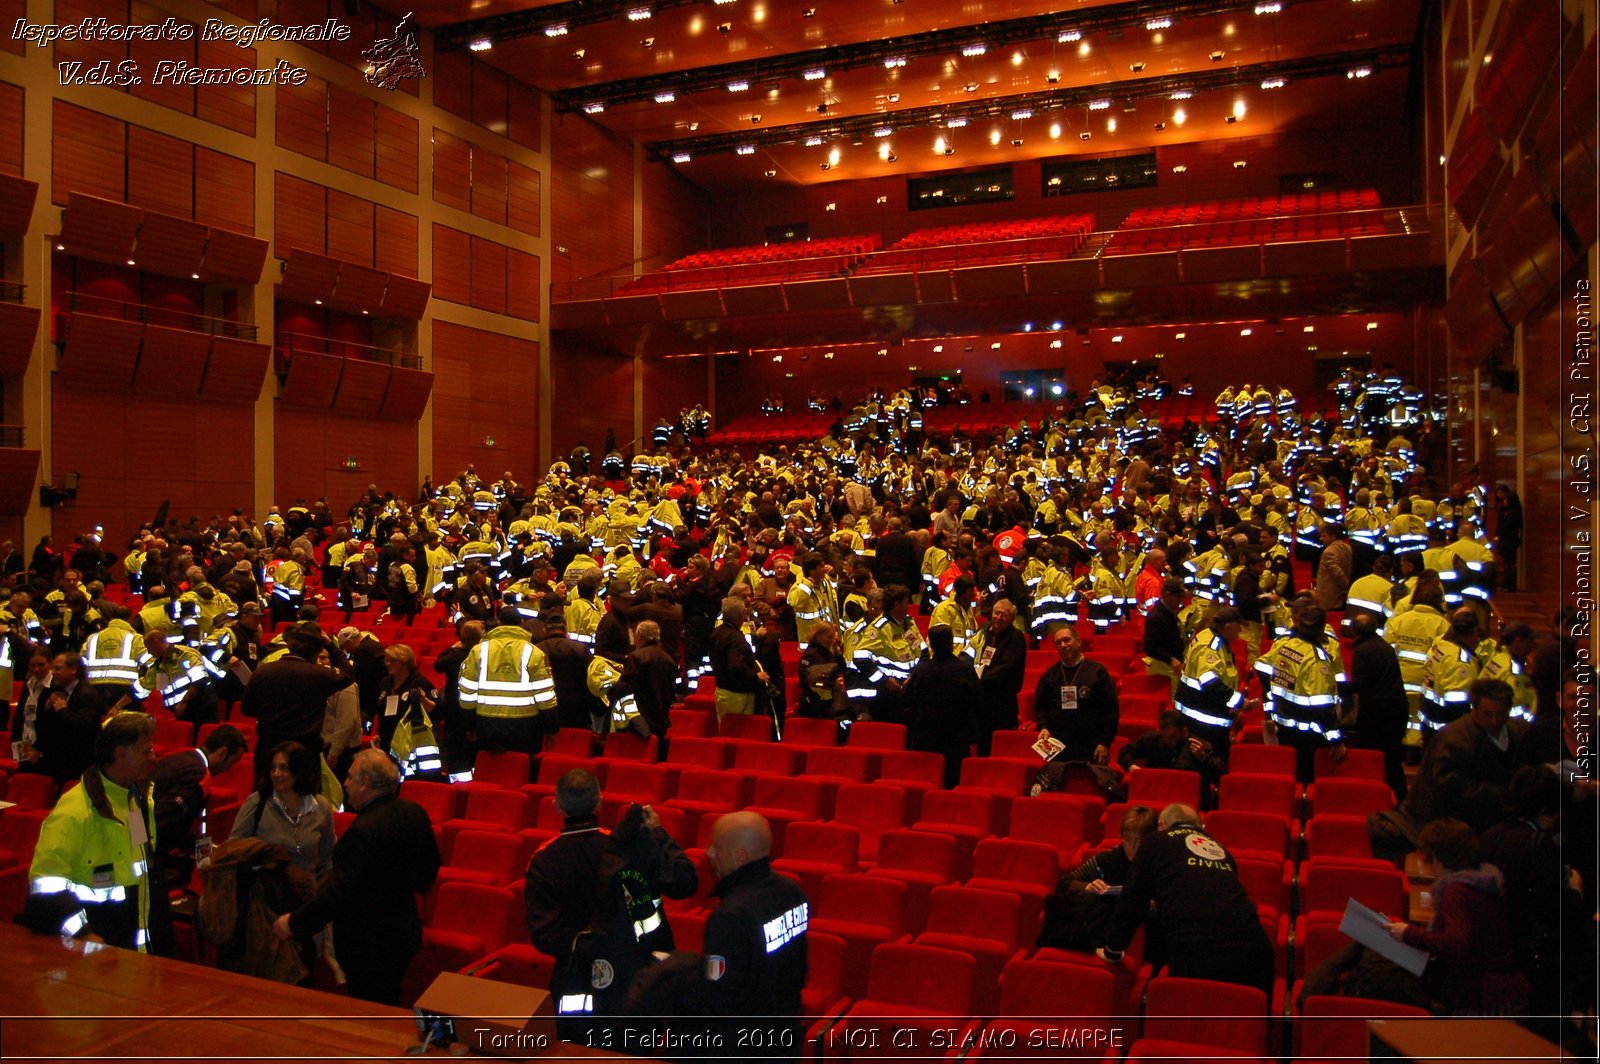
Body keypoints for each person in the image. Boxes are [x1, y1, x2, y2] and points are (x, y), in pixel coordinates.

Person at [525, 770, 696, 1037]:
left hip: (574, 980)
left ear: (556, 804)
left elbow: (544, 935)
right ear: (599, 802)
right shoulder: (627, 847)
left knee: (575, 1048)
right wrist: (658, 834)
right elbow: (684, 882)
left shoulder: (543, 859)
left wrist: (587, 946)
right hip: (632, 974)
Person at [273, 749, 440, 1005]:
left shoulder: (363, 831)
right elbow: (429, 871)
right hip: (404, 932)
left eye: (350, 778)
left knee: (369, 1009)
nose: (346, 784)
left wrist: (295, 923)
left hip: (368, 943)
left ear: (366, 783)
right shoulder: (414, 813)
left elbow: (339, 893)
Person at [668, 812, 810, 1055]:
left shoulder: (729, 917)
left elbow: (718, 995)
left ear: (739, 857)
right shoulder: (793, 892)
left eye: (716, 846)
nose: (708, 853)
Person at [1098, 803, 1275, 995]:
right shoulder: (1222, 850)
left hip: (1197, 951)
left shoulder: (1156, 841)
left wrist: (1112, 950)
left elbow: (1132, 901)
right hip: (1256, 951)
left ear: (1162, 824)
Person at [23, 712, 159, 951]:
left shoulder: (135, 801)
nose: (152, 756)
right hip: (87, 955)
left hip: (130, 952)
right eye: (145, 751)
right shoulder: (73, 812)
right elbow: (45, 890)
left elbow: (143, 873)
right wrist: (83, 934)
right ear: (120, 753)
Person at [1381, 818, 1529, 1015]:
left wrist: (1408, 933)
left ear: (1439, 859)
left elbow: (1456, 943)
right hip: (1505, 990)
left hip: (1481, 997)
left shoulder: (1455, 892)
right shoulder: (1484, 881)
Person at [1368, 678, 1521, 864]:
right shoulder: (1455, 739)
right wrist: (1500, 793)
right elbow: (1447, 788)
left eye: (1501, 714)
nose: (1495, 721)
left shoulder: (1516, 733)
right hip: (1446, 825)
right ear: (1474, 709)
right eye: (1488, 714)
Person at [1038, 805, 1158, 951]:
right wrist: (1086, 887)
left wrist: (1151, 905)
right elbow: (1063, 884)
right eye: (1127, 839)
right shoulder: (1107, 859)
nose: (1133, 846)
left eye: (1138, 841)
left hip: (1144, 939)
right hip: (1100, 936)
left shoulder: (1159, 865)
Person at [148, 723, 249, 888]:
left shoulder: (180, 758)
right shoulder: (199, 775)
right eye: (232, 762)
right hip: (149, 852)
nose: (229, 769)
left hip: (137, 836)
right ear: (222, 752)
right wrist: (205, 853)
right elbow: (168, 823)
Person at [1255, 605, 1346, 782]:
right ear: (1321, 629)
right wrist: (1335, 738)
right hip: (1308, 732)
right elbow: (1321, 704)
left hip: (1283, 724)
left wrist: (1270, 702)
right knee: (1306, 779)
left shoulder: (1285, 643)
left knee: (1287, 776)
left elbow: (1261, 665)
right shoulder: (1316, 659)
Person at [458, 605, 559, 756]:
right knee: (522, 771)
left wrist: (469, 725)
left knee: (490, 773)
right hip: (525, 726)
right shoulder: (535, 652)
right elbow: (545, 696)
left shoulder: (478, 651)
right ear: (521, 623)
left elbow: (467, 693)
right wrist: (550, 729)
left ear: (499, 622)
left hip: (486, 723)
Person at [243, 627, 355, 756]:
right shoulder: (319, 674)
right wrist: (330, 645)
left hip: (268, 745)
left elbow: (247, 709)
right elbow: (348, 673)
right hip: (303, 748)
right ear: (316, 653)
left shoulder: (262, 671)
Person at [1176, 606, 1260, 761]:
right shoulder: (1211, 647)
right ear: (1228, 627)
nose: (1240, 631)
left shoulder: (1208, 636)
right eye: (1238, 627)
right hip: (1203, 720)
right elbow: (1210, 683)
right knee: (1213, 765)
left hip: (1202, 712)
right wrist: (1241, 703)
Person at [902, 625, 981, 788]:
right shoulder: (964, 669)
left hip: (925, 739)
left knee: (923, 785)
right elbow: (978, 700)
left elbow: (905, 699)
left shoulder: (921, 670)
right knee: (953, 786)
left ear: (930, 644)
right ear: (951, 643)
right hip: (956, 740)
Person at [1344, 611, 1411, 800]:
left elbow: (1360, 685)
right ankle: (1400, 800)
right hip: (1396, 710)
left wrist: (1337, 687)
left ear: (1355, 633)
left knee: (1374, 760)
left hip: (1378, 715)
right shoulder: (1383, 646)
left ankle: (1374, 798)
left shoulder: (1362, 651)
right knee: (1392, 761)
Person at [1117, 710, 1226, 790]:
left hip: (1185, 794)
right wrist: (1131, 766)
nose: (1167, 741)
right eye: (1164, 737)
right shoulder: (1153, 739)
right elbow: (1124, 752)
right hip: (1157, 790)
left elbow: (1221, 774)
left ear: (1184, 732)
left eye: (1171, 738)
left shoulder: (1196, 745)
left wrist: (1204, 758)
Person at [377, 643, 440, 777]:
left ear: (404, 662)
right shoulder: (386, 683)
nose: (388, 664)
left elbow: (436, 710)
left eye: (392, 661)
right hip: (387, 740)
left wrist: (423, 700)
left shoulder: (420, 683)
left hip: (410, 743)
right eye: (386, 660)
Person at [975, 598, 1027, 755]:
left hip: (1002, 700)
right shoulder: (987, 633)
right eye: (996, 613)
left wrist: (981, 680)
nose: (999, 617)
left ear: (1011, 619)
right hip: (983, 698)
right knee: (982, 743)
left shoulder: (1016, 637)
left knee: (999, 745)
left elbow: (1008, 667)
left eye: (1004, 615)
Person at [709, 597, 766, 720]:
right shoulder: (735, 638)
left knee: (726, 731)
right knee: (737, 733)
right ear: (742, 615)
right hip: (737, 695)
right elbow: (736, 666)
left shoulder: (717, 632)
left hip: (722, 691)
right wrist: (756, 676)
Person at [1140, 579, 1187, 699]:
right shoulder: (1156, 616)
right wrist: (1171, 659)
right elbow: (1150, 647)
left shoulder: (1172, 613)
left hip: (1174, 668)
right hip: (1163, 668)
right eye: (1178, 597)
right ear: (1167, 595)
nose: (1181, 601)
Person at [796, 621, 848, 721]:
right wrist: (832, 683)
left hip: (828, 699)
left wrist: (837, 650)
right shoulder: (811, 654)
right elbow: (805, 679)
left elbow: (843, 668)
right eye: (829, 637)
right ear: (818, 635)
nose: (831, 641)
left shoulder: (829, 652)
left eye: (833, 637)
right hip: (814, 702)